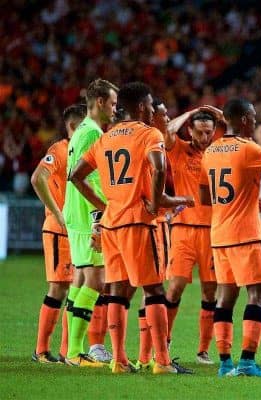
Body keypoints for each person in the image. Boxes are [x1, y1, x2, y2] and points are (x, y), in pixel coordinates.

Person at [69, 81, 194, 374]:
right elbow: (160, 167)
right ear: (141, 107)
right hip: (139, 223)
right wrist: (155, 201)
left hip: (113, 225)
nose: (152, 111)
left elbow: (76, 177)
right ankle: (162, 361)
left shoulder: (106, 137)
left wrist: (104, 205)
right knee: (153, 290)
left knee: (118, 292)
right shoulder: (149, 133)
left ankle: (119, 360)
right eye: (150, 106)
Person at [201, 98, 261, 378]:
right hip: (246, 235)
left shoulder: (210, 151)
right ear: (242, 119)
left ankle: (224, 363)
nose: (255, 121)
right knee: (259, 294)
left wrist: (243, 199)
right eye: (252, 116)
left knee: (225, 297)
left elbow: (206, 196)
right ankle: (246, 363)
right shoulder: (249, 149)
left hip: (219, 235)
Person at [62, 79, 118, 367]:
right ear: (99, 102)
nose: (115, 109)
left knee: (83, 278)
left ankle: (73, 350)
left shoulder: (84, 130)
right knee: (96, 279)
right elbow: (80, 175)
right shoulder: (92, 132)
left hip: (77, 212)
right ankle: (74, 351)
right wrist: (102, 211)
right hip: (87, 215)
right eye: (112, 103)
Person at [162, 108, 223, 364]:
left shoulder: (218, 152)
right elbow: (167, 131)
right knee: (175, 288)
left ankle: (203, 350)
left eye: (209, 131)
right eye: (199, 131)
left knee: (210, 293)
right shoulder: (179, 149)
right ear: (190, 130)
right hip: (183, 230)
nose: (205, 136)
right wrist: (192, 112)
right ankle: (163, 341)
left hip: (212, 231)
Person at [31, 104, 87, 363]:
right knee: (58, 288)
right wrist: (57, 212)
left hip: (76, 230)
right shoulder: (59, 150)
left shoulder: (83, 151)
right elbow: (37, 178)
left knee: (75, 288)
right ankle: (41, 350)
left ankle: (68, 350)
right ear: (75, 126)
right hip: (58, 229)